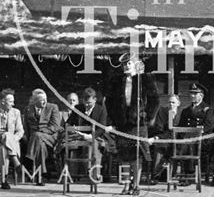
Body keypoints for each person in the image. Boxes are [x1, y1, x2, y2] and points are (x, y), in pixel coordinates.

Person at [105, 53, 159, 195]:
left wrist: (147, 117)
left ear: (136, 64)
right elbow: (108, 102)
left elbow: (155, 100)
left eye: (129, 63)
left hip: (138, 125)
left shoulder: (145, 79)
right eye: (124, 64)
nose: (126, 66)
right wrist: (113, 120)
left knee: (136, 155)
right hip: (122, 124)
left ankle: (136, 185)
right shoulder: (117, 81)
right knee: (123, 156)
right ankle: (126, 185)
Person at [65, 87, 109, 181]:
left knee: (92, 145)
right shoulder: (78, 108)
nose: (87, 105)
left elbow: (101, 128)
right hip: (78, 136)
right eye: (85, 103)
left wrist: (91, 136)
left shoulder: (101, 110)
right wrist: (72, 129)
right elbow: (68, 123)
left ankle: (93, 172)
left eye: (89, 103)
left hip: (95, 137)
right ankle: (77, 173)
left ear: (95, 100)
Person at [0, 88, 24, 190]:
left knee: (3, 148)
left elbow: (20, 131)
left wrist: (11, 139)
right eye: (11, 101)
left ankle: (4, 180)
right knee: (6, 135)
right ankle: (15, 160)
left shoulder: (16, 112)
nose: (13, 104)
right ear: (3, 101)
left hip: (10, 144)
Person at [23, 88, 61, 186]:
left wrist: (41, 133)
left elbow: (55, 126)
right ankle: (41, 175)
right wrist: (30, 139)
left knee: (37, 135)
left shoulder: (53, 107)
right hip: (35, 141)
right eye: (41, 100)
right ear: (35, 101)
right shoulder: (28, 109)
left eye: (45, 99)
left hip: (50, 137)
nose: (44, 102)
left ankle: (29, 160)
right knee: (40, 146)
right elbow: (26, 127)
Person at [148, 94, 181, 183]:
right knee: (160, 147)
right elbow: (160, 128)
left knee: (178, 149)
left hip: (178, 140)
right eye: (169, 102)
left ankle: (171, 174)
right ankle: (155, 175)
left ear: (178, 103)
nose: (171, 104)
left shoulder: (181, 113)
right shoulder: (163, 112)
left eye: (173, 102)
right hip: (164, 138)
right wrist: (157, 137)